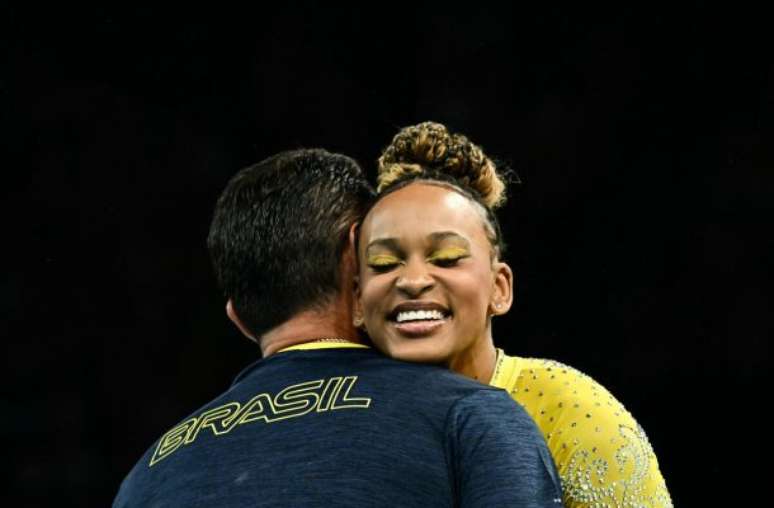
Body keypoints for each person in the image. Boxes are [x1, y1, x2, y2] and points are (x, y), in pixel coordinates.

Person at [112, 148, 563, 507]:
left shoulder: (145, 475)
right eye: (384, 256)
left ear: (238, 316)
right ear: (356, 260)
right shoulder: (470, 419)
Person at [353, 122, 673, 507]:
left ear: (499, 288)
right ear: (357, 299)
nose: (414, 280)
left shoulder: (571, 412)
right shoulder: (336, 419)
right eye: (384, 263)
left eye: (448, 258)